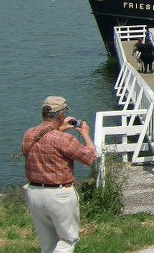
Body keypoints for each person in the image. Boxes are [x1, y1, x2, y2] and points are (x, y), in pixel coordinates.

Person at [22, 96, 96, 253]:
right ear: (61, 115)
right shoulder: (64, 139)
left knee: (47, 243)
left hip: (34, 193)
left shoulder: (28, 134)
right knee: (67, 240)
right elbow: (89, 158)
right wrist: (85, 134)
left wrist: (58, 129)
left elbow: (41, 146)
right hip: (59, 195)